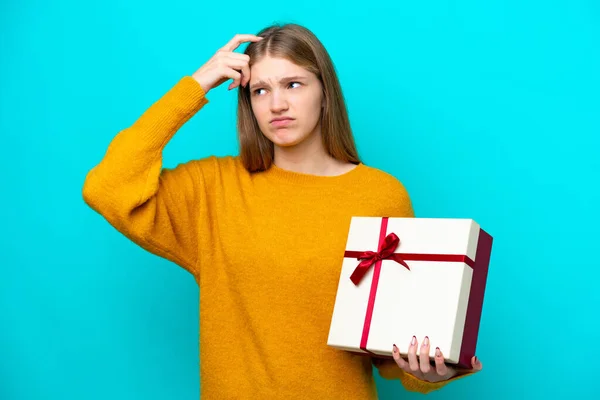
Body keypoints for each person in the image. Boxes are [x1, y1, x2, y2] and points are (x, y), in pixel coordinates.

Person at [82, 23, 482, 399]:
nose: (276, 104)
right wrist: (196, 85)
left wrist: (431, 371)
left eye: (293, 84)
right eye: (259, 90)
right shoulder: (212, 189)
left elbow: (390, 352)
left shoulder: (380, 195)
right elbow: (107, 187)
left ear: (324, 91)